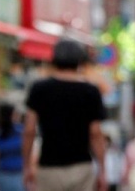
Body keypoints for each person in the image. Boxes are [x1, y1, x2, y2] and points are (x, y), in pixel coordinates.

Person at [23, 39, 108, 191]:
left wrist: (27, 166)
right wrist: (102, 170)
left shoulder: (39, 89)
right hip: (81, 167)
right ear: (80, 61)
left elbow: (29, 130)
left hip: (49, 168)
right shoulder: (90, 91)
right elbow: (95, 133)